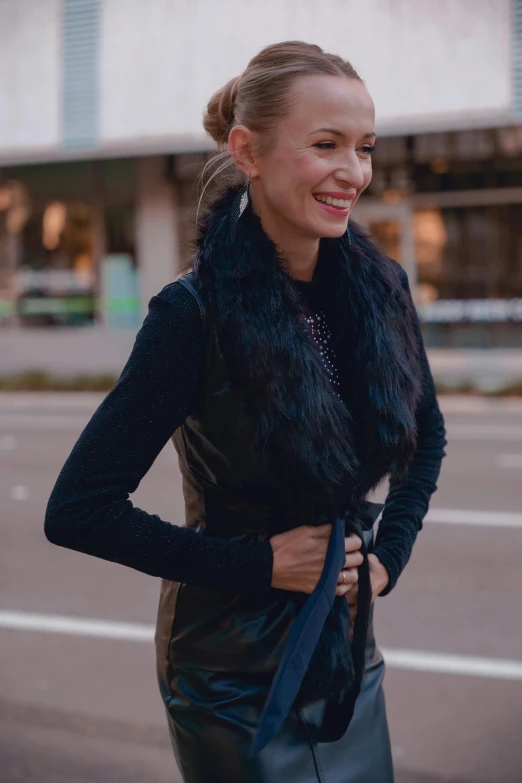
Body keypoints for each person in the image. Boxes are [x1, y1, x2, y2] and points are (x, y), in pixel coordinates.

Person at [45, 41, 447, 783]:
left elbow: (428, 437)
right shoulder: (191, 314)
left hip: (348, 659)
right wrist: (257, 563)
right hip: (229, 678)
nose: (353, 172)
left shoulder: (381, 286)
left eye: (363, 148)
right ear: (247, 151)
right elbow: (78, 507)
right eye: (325, 145)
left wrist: (389, 556)